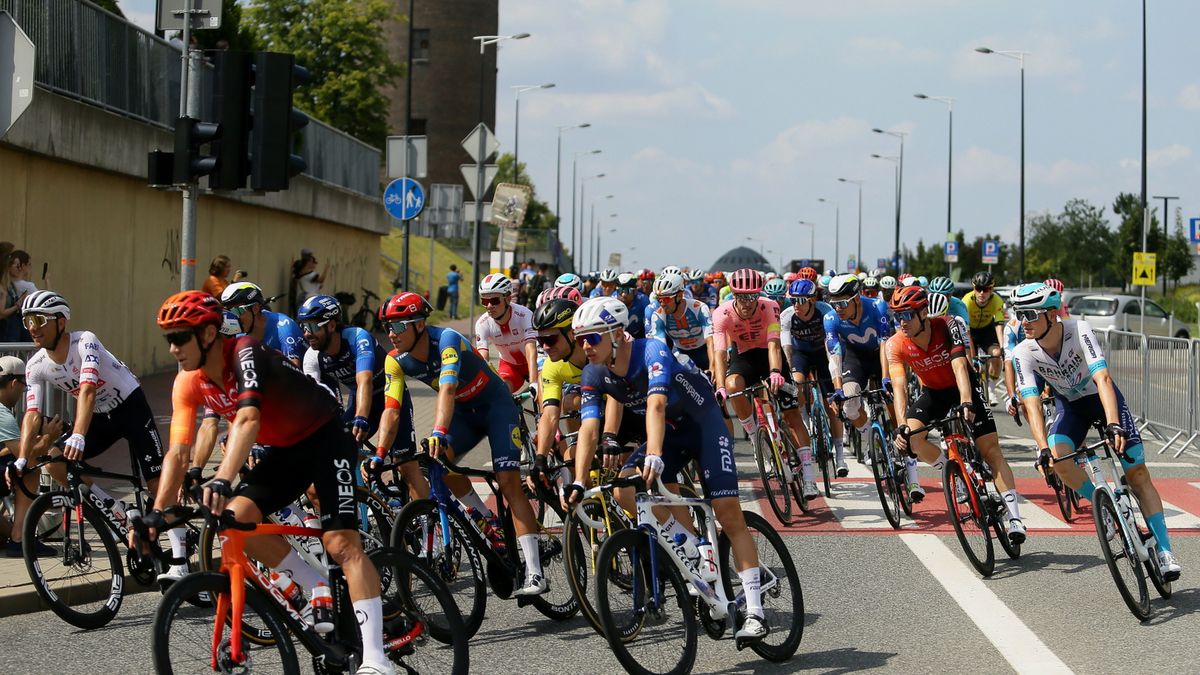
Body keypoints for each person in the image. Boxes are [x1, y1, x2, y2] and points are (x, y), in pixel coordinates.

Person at [149, 292, 396, 675]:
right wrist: (156, 516)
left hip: (326, 436)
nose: (173, 347)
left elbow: (247, 420)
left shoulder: (245, 352)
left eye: (180, 336)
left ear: (209, 333)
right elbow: (178, 454)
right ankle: (316, 586)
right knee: (236, 519)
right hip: (285, 450)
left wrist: (221, 479)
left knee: (341, 544)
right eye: (169, 337)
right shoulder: (188, 382)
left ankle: (377, 660)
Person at [564, 296, 769, 642]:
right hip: (672, 431)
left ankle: (754, 611)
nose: (586, 345)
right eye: (581, 338)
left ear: (616, 334)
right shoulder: (593, 372)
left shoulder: (651, 350)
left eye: (593, 337)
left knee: (727, 513)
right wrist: (580, 482)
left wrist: (654, 455)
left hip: (703, 424)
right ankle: (691, 545)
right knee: (623, 489)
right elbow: (588, 428)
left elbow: (656, 405)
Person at [380, 291, 549, 595]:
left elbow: (446, 389)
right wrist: (380, 452)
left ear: (419, 324)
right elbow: (391, 411)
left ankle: (535, 573)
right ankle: (487, 520)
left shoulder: (445, 340)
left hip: (495, 407)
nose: (392, 334)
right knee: (439, 465)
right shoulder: (395, 361)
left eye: (400, 326)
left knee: (508, 481)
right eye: (388, 327)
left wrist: (438, 429)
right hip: (465, 415)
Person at [1009, 282, 1180, 579]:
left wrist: (1113, 423)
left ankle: (1165, 551)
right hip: (1071, 407)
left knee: (1137, 473)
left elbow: (1102, 378)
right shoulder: (1023, 351)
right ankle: (1104, 506)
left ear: (1052, 315)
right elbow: (1032, 403)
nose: (1024, 322)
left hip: (1102, 400)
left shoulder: (1079, 330)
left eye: (1031, 314)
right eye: (1019, 314)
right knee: (1060, 459)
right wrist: (1042, 448)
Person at [14, 292, 187, 573]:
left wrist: (79, 434)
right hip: (100, 418)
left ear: (60, 321)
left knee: (157, 483)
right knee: (57, 459)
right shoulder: (35, 365)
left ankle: (181, 562)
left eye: (38, 320)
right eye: (26, 321)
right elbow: (32, 414)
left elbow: (88, 389)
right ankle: (115, 509)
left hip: (131, 408)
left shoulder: (85, 341)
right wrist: (22, 458)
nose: (32, 327)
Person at [885, 286, 1027, 543]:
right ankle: (954, 473)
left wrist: (966, 401)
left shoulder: (946, 325)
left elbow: (960, 365)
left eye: (906, 315)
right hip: (933, 393)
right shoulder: (895, 344)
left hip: (963, 387)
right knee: (914, 440)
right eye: (897, 316)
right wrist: (902, 424)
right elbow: (899, 386)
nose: (901, 322)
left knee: (991, 451)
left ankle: (1015, 518)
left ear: (923, 312)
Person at [712, 269, 814, 496]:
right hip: (744, 357)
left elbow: (774, 344)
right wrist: (719, 386)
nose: (747, 303)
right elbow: (720, 354)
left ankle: (808, 475)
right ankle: (753, 433)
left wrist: (777, 372)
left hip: (769, 356)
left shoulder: (770, 307)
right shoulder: (722, 313)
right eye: (741, 297)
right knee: (732, 387)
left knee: (792, 415)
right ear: (734, 295)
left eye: (751, 297)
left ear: (758, 295)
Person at [298, 294, 412, 455]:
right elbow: (312, 398)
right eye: (303, 327)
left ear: (331, 325)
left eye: (312, 327)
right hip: (360, 398)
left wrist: (361, 417)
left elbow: (365, 380)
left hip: (390, 396)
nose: (306, 334)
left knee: (404, 463)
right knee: (336, 449)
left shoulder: (357, 337)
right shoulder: (312, 356)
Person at [779, 279, 846, 477]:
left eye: (800, 301)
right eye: (793, 301)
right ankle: (805, 421)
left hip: (822, 353)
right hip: (801, 355)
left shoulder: (826, 312)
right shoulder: (787, 315)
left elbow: (832, 345)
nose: (796, 305)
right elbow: (786, 348)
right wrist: (791, 370)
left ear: (812, 300)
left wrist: (835, 371)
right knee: (796, 385)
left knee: (831, 404)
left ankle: (840, 456)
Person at [824, 274, 893, 463]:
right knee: (849, 406)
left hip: (882, 356)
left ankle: (902, 449)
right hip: (856, 359)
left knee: (895, 403)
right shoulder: (830, 318)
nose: (839, 308)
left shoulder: (877, 307)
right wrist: (838, 389)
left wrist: (886, 377)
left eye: (843, 303)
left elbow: (885, 344)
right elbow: (835, 355)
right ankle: (872, 440)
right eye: (834, 303)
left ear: (856, 298)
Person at [0, 356, 63, 548]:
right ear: (13, 384)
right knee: (30, 466)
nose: (23, 392)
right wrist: (48, 438)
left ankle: (13, 534)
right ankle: (20, 539)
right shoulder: (2, 414)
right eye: (23, 386)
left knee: (3, 538)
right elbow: (25, 456)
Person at [474, 273, 539, 393]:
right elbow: (483, 358)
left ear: (508, 299)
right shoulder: (482, 323)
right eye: (484, 300)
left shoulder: (524, 314)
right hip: (510, 365)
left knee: (542, 395)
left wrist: (534, 381)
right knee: (501, 393)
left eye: (494, 300)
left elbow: (531, 349)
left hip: (535, 360)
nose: (489, 306)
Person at [220, 282, 305, 364]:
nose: (233, 318)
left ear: (255, 308)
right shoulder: (238, 335)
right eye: (229, 312)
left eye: (237, 311)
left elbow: (294, 368)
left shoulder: (283, 327)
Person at [648, 272, 715, 371]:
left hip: (704, 352)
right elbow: (661, 349)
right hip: (680, 354)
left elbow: (710, 341)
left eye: (665, 299)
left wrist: (713, 367)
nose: (662, 304)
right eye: (659, 299)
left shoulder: (699, 308)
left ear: (679, 295)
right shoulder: (657, 316)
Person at [962, 271, 1005, 380]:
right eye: (978, 289)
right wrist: (973, 356)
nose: (981, 293)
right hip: (970, 331)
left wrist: (1003, 347)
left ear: (991, 290)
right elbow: (966, 332)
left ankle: (991, 386)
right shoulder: (966, 302)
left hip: (987, 330)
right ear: (973, 288)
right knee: (970, 364)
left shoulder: (997, 300)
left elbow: (999, 326)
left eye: (985, 289)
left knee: (996, 354)